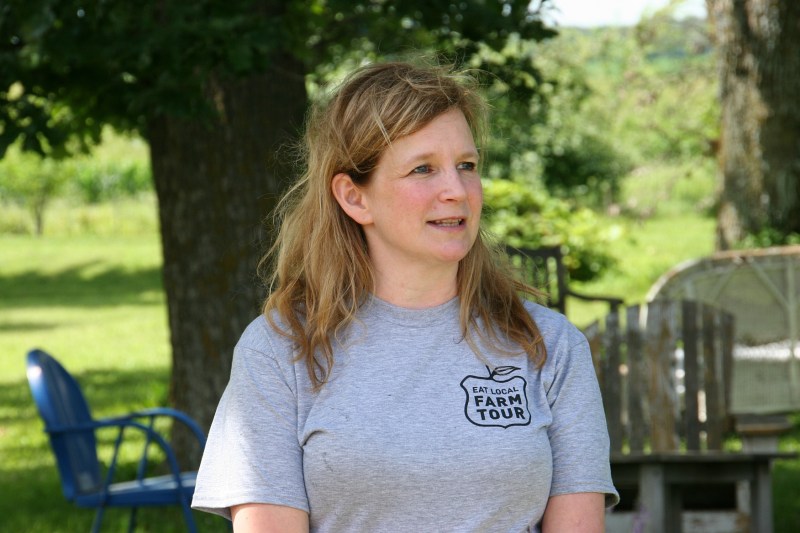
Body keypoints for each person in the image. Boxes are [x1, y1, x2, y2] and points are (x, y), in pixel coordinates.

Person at [191, 59, 619, 532]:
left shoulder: (549, 345)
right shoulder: (280, 350)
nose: (456, 190)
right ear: (354, 197)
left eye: (466, 166)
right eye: (423, 169)